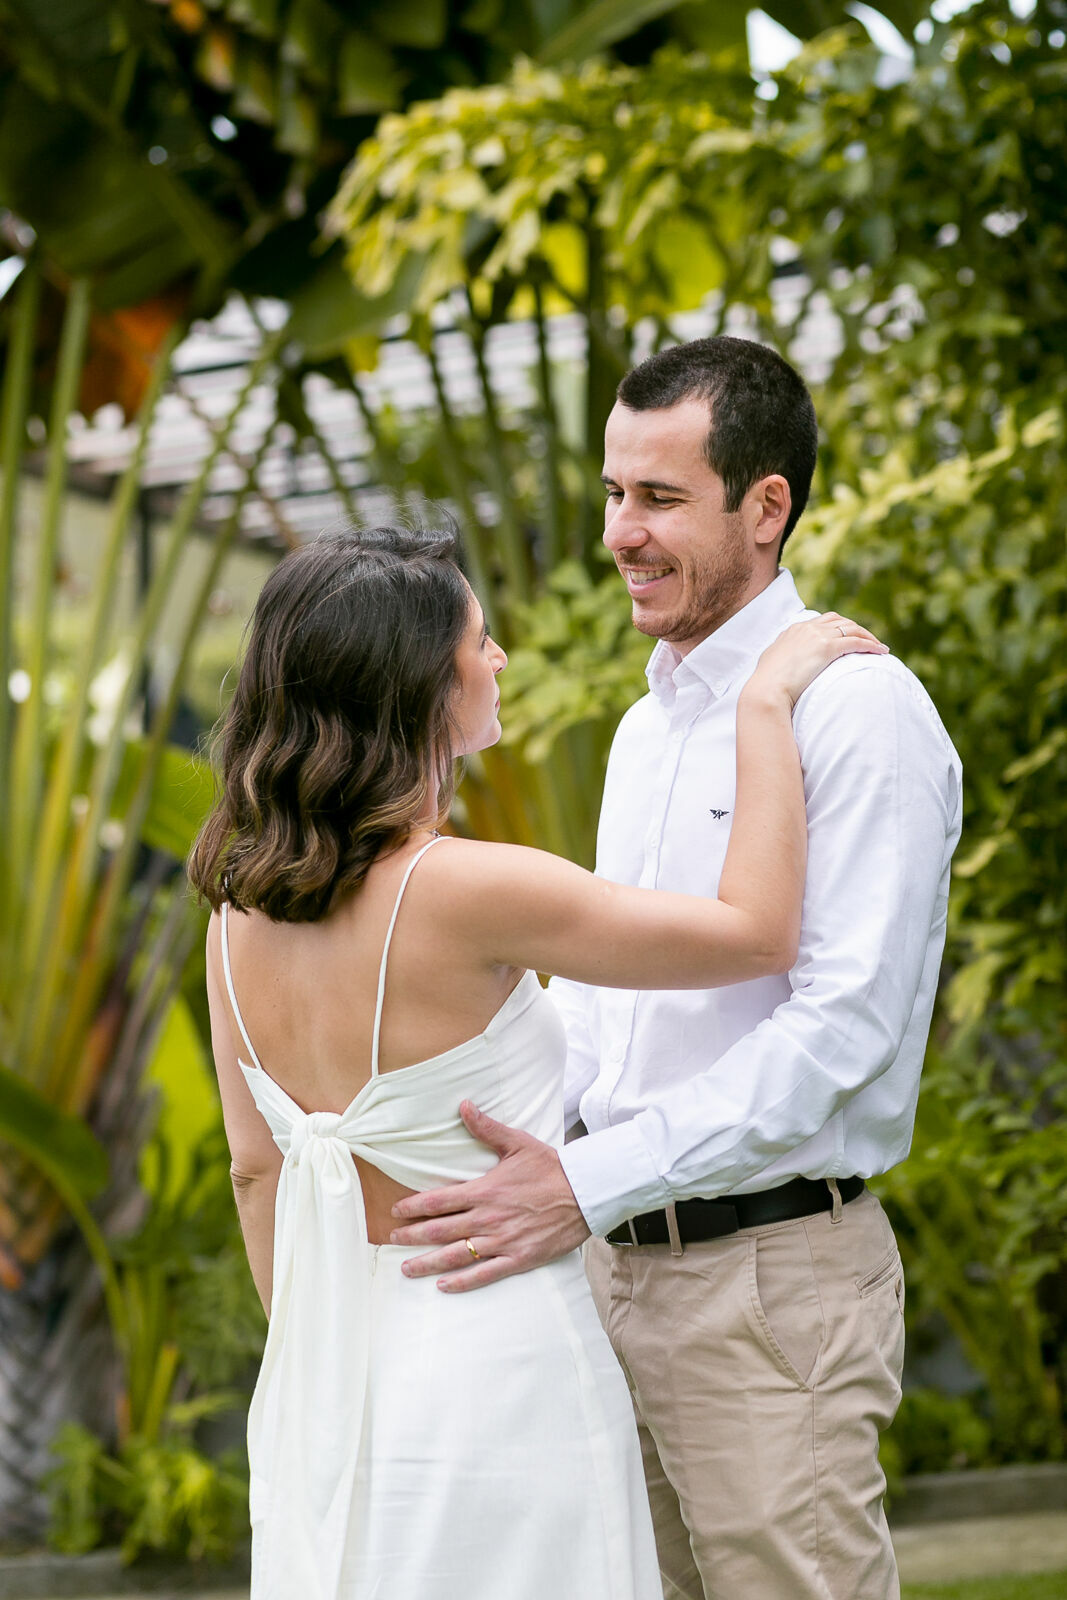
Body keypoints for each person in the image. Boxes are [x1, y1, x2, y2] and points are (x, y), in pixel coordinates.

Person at [188, 522, 884, 1600]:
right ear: (419, 684)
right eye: (477, 639)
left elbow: (256, 1171)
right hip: (501, 1355)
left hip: (330, 1368)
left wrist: (326, 1354)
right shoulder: (469, 889)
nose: (498, 656)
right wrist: (761, 705)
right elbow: (754, 932)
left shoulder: (233, 917)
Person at [389, 337, 964, 1600]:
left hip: (767, 1284)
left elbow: (843, 1033)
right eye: (611, 494)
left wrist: (581, 1180)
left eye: (658, 499)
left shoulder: (856, 711)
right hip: (606, 1267)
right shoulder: (651, 726)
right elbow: (605, 1007)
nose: (621, 534)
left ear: (767, 507)